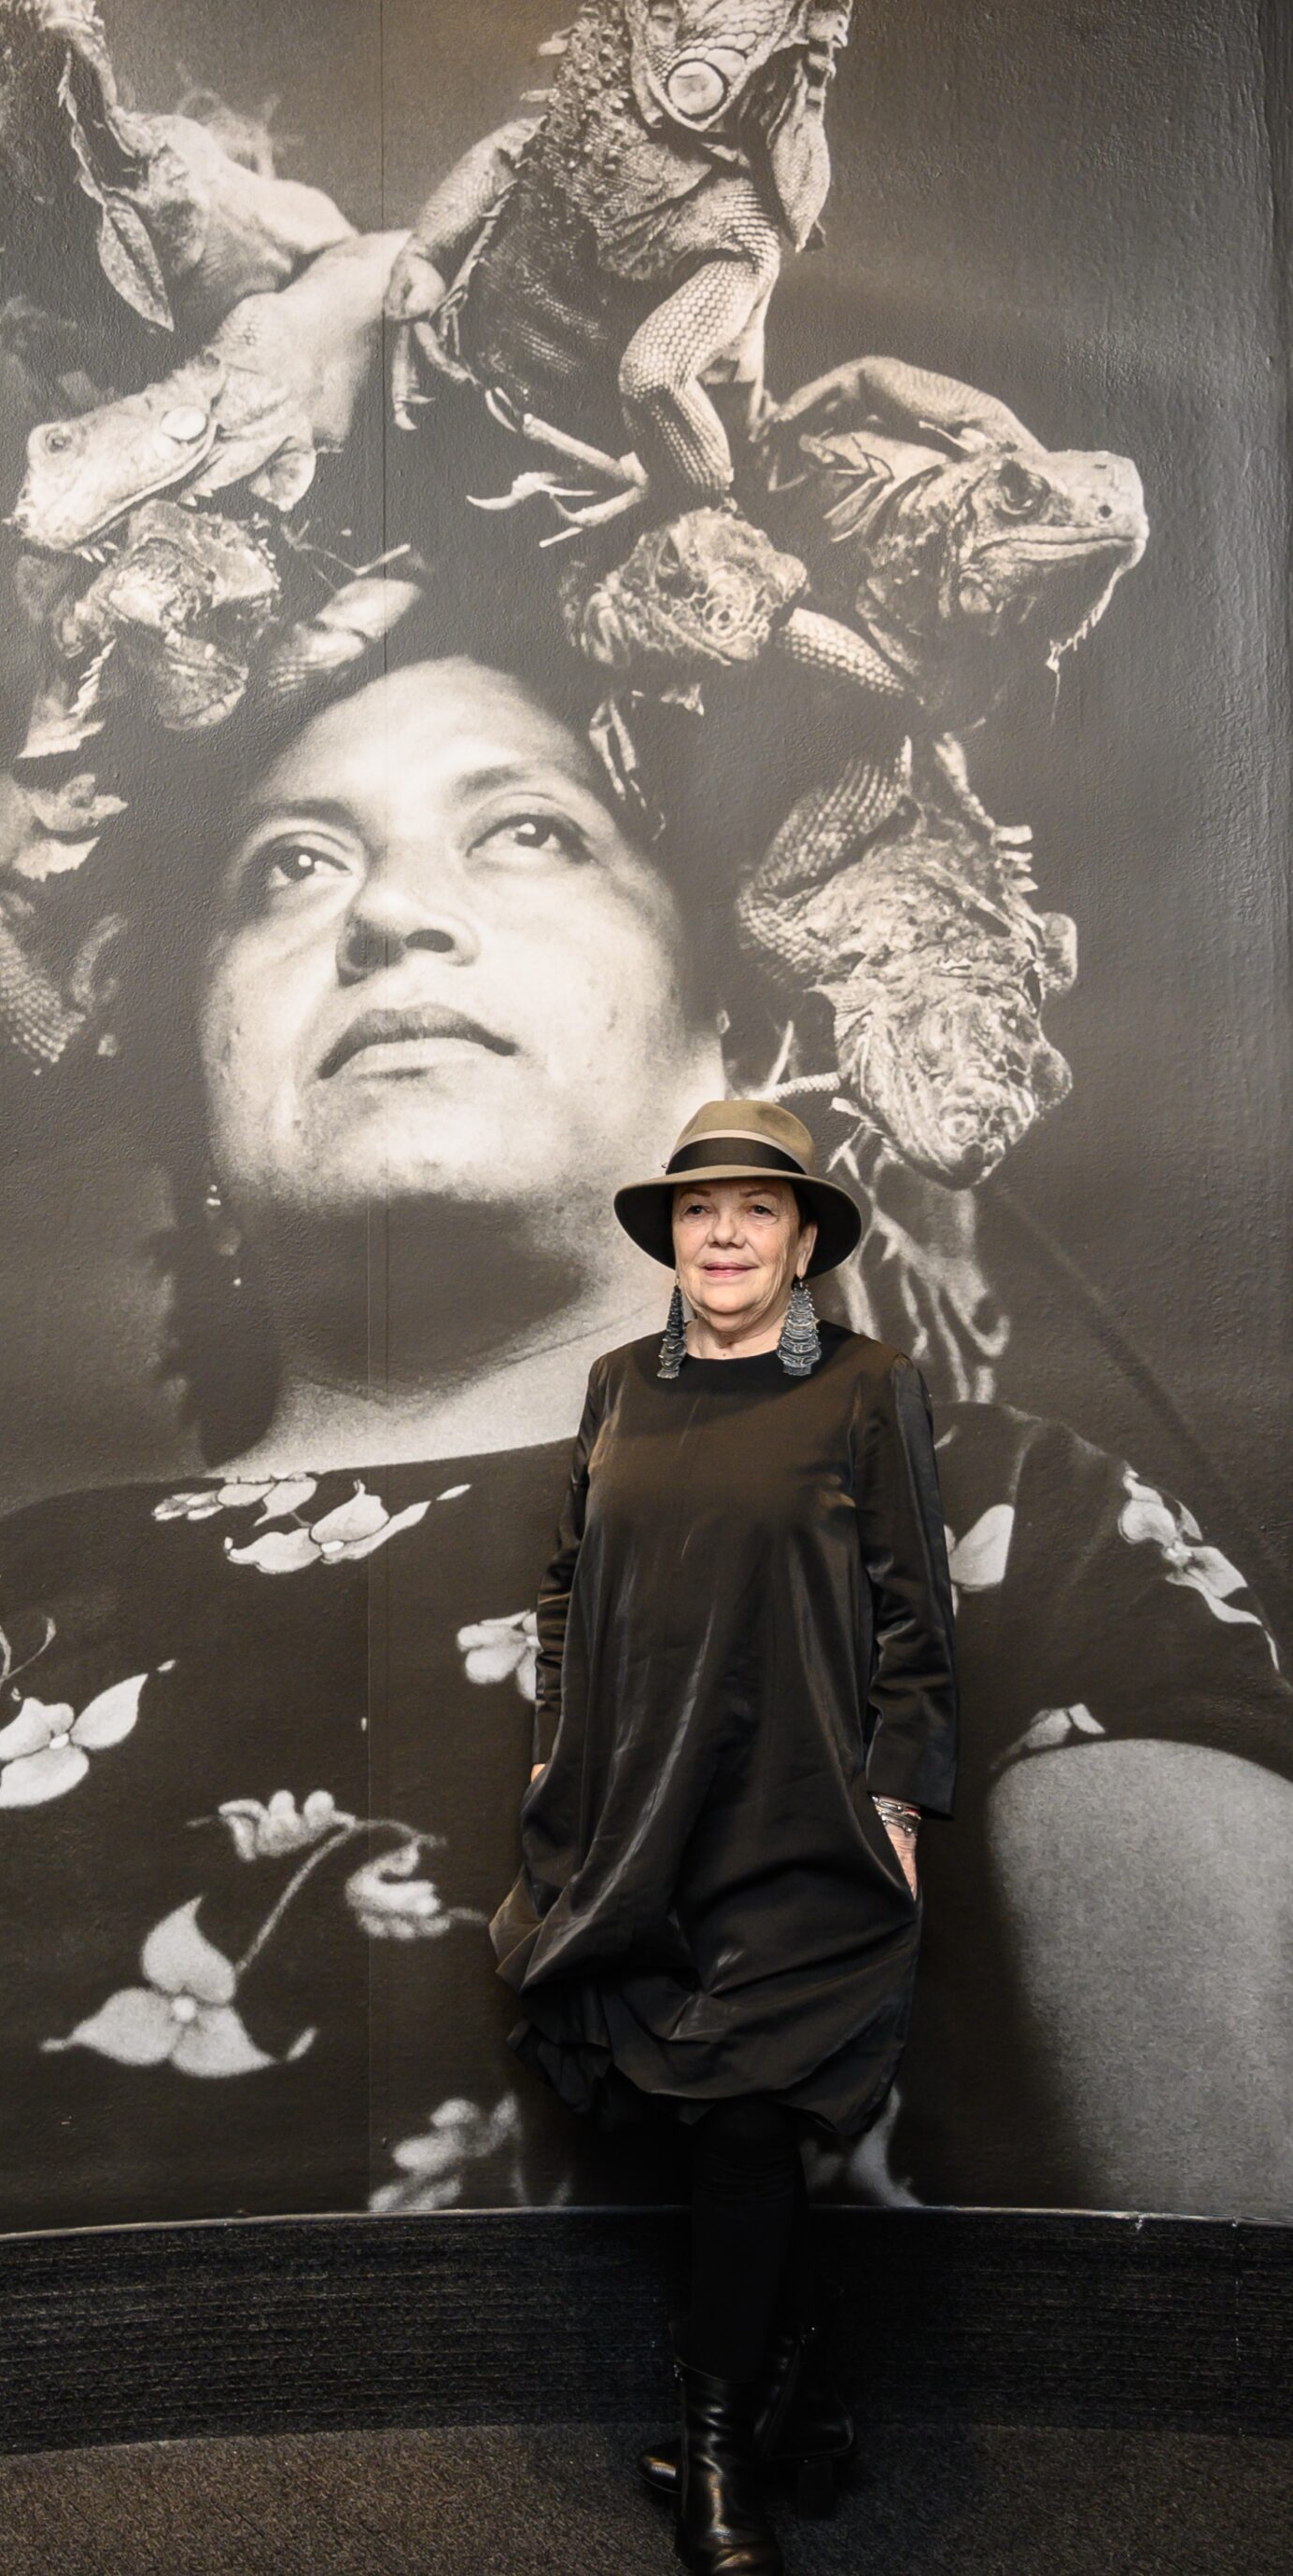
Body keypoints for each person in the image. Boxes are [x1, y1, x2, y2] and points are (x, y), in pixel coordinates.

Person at [0, 628, 1293, 2288]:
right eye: (288, 865)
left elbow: (1226, 2384)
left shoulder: (970, 1517)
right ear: (191, 1087)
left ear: (737, 1040)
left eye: (530, 832)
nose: (387, 913)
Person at [491, 1095, 955, 2574]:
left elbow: (915, 1618)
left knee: (753, 2112)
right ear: (671, 1239)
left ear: (806, 1238)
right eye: (702, 1211)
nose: (728, 1233)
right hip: (640, 1814)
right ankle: (793, 2412)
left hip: (803, 1808)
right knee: (712, 2123)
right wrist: (561, 1745)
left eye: (760, 1210)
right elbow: (570, 1587)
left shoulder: (871, 1389)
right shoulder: (619, 1382)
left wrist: (901, 1797)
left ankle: (711, 2461)